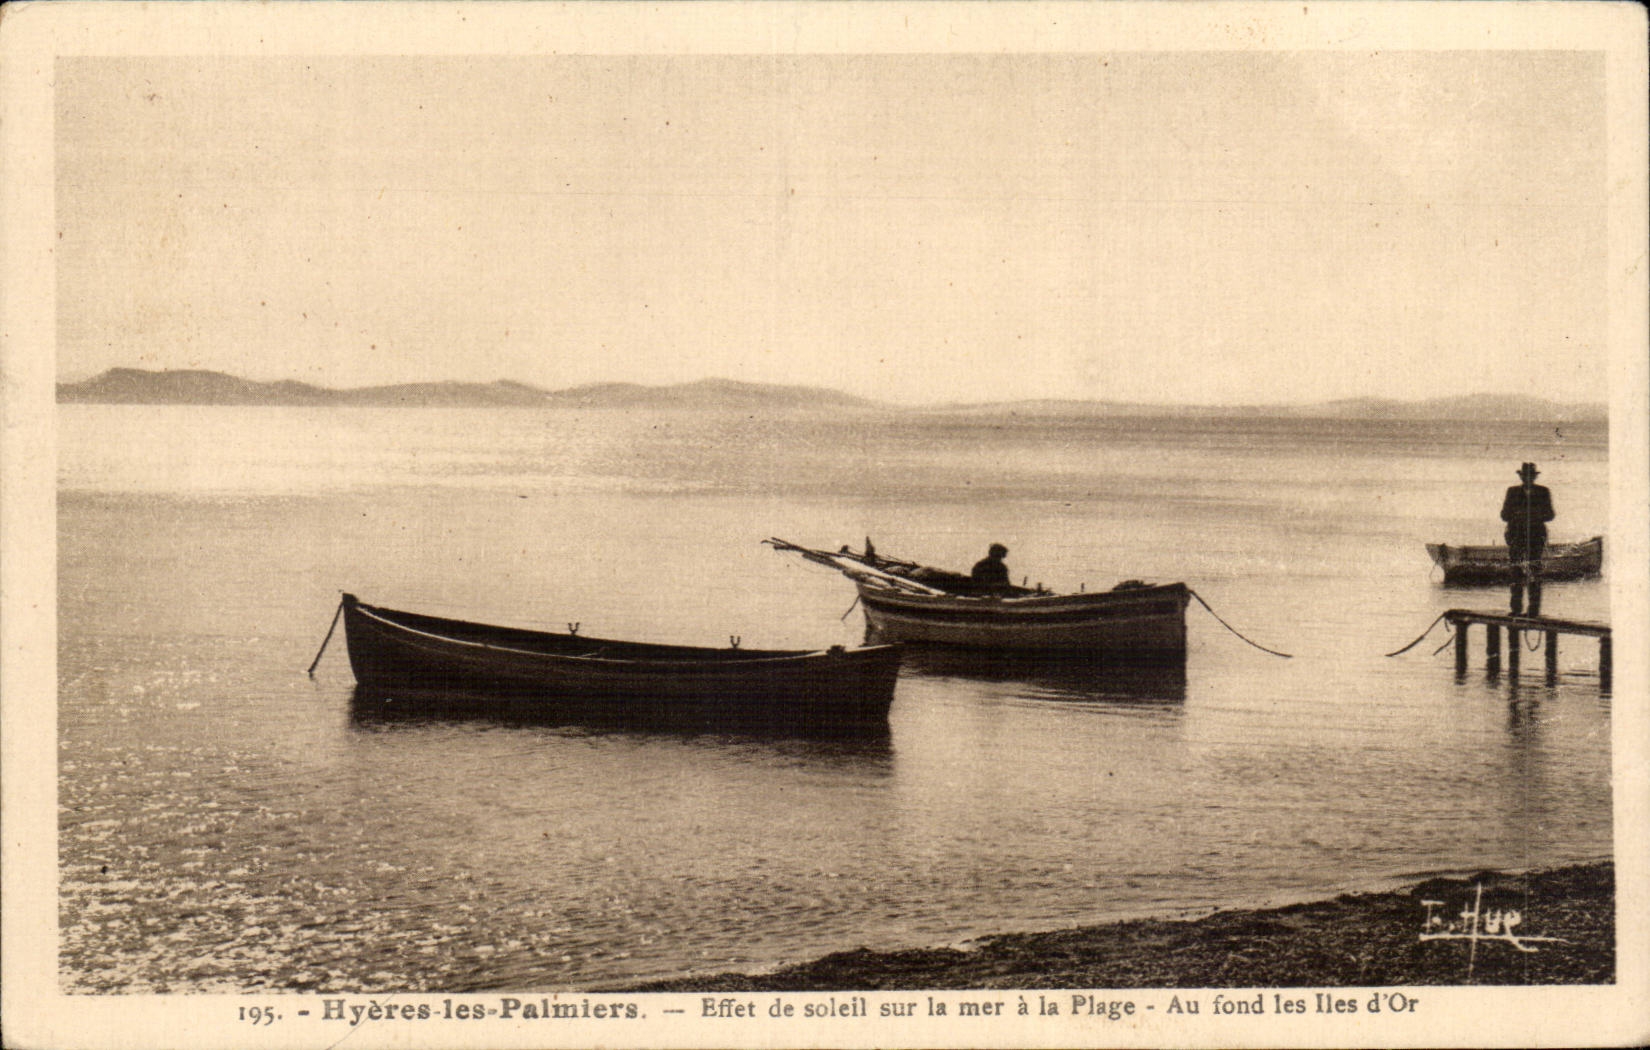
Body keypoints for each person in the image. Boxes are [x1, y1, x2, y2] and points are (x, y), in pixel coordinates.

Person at [1500, 462, 1555, 617]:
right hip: (1516, 537)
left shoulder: (1543, 492)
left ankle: (1533, 610)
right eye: (1525, 476)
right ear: (1521, 477)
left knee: (1534, 572)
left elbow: (1550, 515)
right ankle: (1516, 609)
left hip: (1536, 537)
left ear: (1534, 477)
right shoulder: (1512, 492)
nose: (1527, 479)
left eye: (1530, 476)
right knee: (1515, 572)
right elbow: (1504, 515)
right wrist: (1518, 516)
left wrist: (1532, 516)